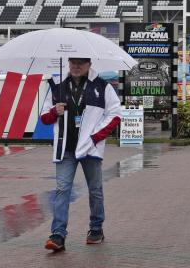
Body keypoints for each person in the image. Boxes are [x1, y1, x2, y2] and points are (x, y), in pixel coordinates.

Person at [40, 57, 122, 252]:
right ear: (68, 63)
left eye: (81, 63)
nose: (76, 66)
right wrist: (54, 111)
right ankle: (58, 235)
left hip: (90, 148)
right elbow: (44, 118)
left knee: (95, 189)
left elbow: (116, 114)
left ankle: (96, 229)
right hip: (65, 148)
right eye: (73, 62)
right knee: (62, 189)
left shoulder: (102, 86)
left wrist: (95, 137)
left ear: (89, 65)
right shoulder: (56, 85)